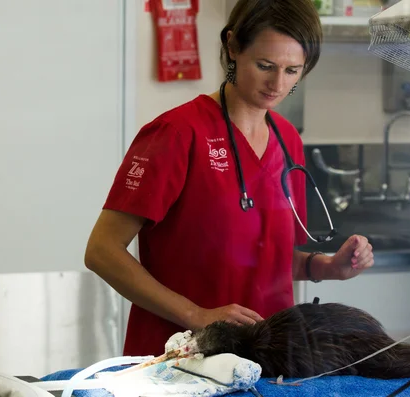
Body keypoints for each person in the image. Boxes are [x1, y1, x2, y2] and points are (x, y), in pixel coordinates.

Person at [84, 0, 374, 357]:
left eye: (292, 70)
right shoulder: (176, 134)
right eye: (265, 65)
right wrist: (197, 315)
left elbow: (271, 260)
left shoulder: (288, 140)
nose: (277, 84)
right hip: (178, 361)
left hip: (267, 357)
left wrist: (328, 267)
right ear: (233, 46)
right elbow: (101, 251)